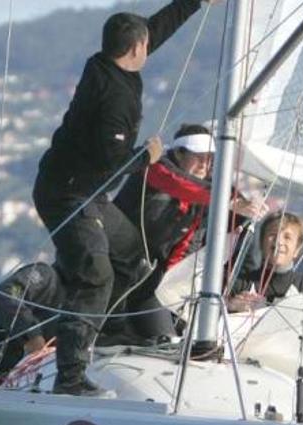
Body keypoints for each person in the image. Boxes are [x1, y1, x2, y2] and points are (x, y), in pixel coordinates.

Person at [32, 0, 214, 396]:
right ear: (135, 50)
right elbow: (110, 163)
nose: (150, 46)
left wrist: (195, 3)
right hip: (68, 195)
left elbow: (155, 28)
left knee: (135, 257)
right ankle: (71, 377)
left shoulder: (107, 59)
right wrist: (143, 157)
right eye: (146, 44)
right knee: (96, 275)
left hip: (88, 193)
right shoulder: (112, 97)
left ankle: (109, 332)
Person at [110, 123, 264, 342]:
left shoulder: (207, 192)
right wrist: (229, 199)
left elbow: (193, 242)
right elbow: (179, 183)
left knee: (166, 340)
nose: (205, 163)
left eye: (210, 157)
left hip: (150, 283)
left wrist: (249, 208)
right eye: (198, 156)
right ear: (179, 153)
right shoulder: (155, 167)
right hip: (117, 269)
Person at [227, 212, 303, 312]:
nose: (279, 241)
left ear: (297, 250)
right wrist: (232, 307)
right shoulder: (242, 282)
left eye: (287, 237)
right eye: (273, 234)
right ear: (261, 243)